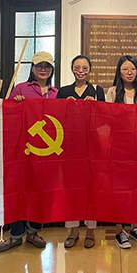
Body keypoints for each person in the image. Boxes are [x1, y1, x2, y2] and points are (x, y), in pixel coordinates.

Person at [0, 51, 58, 253]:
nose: (43, 70)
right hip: (22, 150)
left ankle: (34, 232)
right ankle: (15, 234)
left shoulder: (56, 93)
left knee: (39, 191)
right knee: (19, 189)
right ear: (32, 68)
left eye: (47, 66)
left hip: (46, 153)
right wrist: (16, 103)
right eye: (39, 66)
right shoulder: (21, 88)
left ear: (52, 70)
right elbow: (8, 114)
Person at [57, 55, 105, 249]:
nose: (81, 71)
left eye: (85, 67)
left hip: (92, 147)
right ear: (71, 69)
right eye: (77, 67)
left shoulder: (97, 91)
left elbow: (103, 120)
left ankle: (90, 231)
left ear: (90, 69)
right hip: (70, 147)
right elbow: (56, 120)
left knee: (91, 189)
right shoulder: (63, 91)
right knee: (71, 189)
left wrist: (94, 106)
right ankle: (73, 230)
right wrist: (65, 106)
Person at [106, 55, 137, 249]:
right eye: (125, 69)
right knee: (120, 188)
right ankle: (119, 230)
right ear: (119, 71)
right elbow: (107, 118)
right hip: (118, 145)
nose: (129, 72)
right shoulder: (113, 92)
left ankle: (135, 226)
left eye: (132, 69)